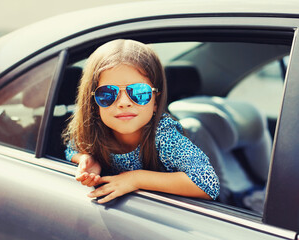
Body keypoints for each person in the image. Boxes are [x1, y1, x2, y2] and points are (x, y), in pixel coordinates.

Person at [62, 39, 220, 204]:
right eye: (108, 94)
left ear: (155, 102)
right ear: (94, 103)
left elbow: (207, 183)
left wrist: (135, 179)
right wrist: (86, 159)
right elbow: (72, 148)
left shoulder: (164, 136)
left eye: (139, 92)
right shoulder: (94, 130)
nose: (124, 102)